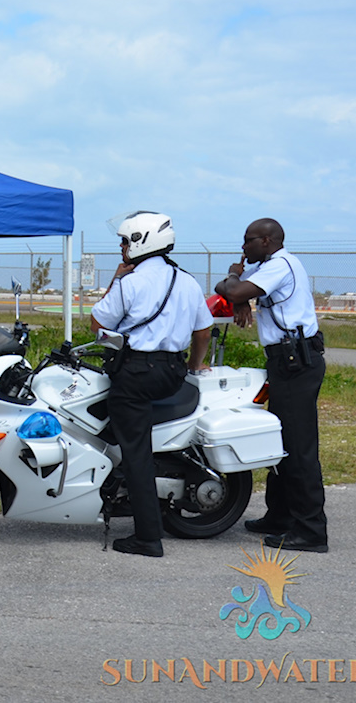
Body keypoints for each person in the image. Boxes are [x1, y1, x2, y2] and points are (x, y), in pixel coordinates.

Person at [90, 211, 213, 558]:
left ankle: (147, 537)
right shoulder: (187, 281)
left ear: (142, 242)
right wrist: (193, 365)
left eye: (125, 241)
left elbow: (98, 322)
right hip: (172, 373)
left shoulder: (131, 282)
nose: (122, 247)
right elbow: (202, 332)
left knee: (136, 452)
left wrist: (116, 279)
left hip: (137, 374)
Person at [213, 218, 327, 553]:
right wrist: (238, 299)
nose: (243, 248)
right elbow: (235, 295)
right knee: (281, 442)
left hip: (296, 362)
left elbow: (232, 287)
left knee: (299, 447)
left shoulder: (280, 265)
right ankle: (279, 517)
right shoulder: (272, 266)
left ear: (266, 240)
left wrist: (235, 276)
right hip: (285, 361)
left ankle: (311, 531)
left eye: (247, 241)